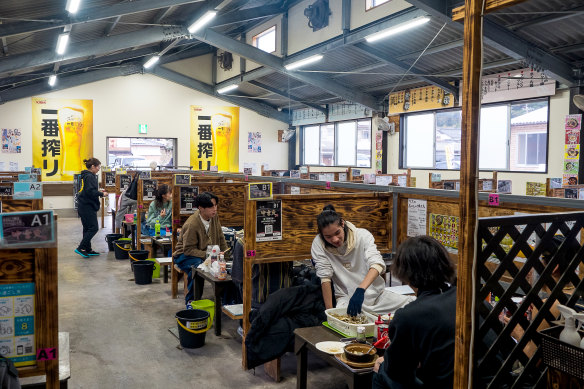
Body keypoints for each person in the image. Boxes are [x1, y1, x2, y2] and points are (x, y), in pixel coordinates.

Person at [372, 236, 457, 389]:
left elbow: (398, 371)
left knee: (382, 370)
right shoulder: (468, 299)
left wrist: (385, 362)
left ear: (406, 273)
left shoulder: (409, 315)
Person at [311, 205, 414, 316]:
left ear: (342, 223)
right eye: (328, 237)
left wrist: (360, 290)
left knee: (413, 304)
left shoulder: (362, 235)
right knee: (352, 324)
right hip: (347, 299)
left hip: (377, 296)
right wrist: (329, 313)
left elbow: (377, 264)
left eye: (337, 233)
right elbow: (325, 278)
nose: (335, 239)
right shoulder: (318, 244)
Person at [172, 192, 230, 307]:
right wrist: (210, 256)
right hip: (184, 255)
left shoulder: (214, 217)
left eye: (215, 205)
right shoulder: (192, 224)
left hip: (206, 254)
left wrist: (225, 257)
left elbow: (220, 237)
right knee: (198, 269)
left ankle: (226, 301)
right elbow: (188, 250)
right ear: (201, 208)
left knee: (225, 267)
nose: (214, 209)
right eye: (211, 206)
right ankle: (192, 301)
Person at [76, 158, 107, 258]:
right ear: (93, 166)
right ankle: (81, 247)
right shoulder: (89, 176)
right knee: (93, 228)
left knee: (87, 228)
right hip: (87, 206)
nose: (98, 169)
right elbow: (90, 192)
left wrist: (98, 191)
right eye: (98, 167)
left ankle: (87, 249)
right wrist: (102, 193)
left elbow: (89, 190)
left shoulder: (87, 175)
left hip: (84, 205)